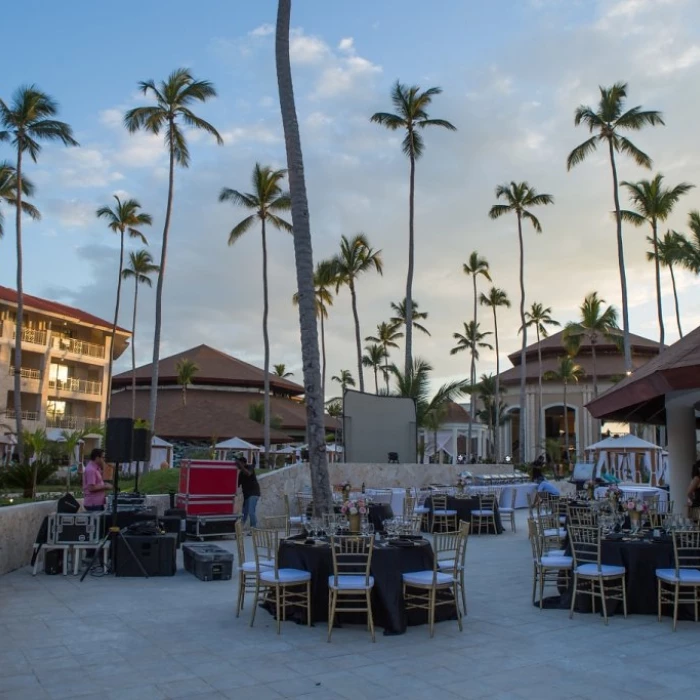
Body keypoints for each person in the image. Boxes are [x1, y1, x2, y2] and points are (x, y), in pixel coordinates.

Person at [237, 456, 260, 532]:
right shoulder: (240, 474)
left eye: (239, 464)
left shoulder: (249, 467)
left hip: (253, 493)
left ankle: (254, 529)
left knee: (251, 511)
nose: (238, 466)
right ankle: (239, 530)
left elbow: (248, 474)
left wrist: (241, 467)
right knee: (244, 513)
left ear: (243, 463)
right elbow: (237, 484)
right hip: (246, 495)